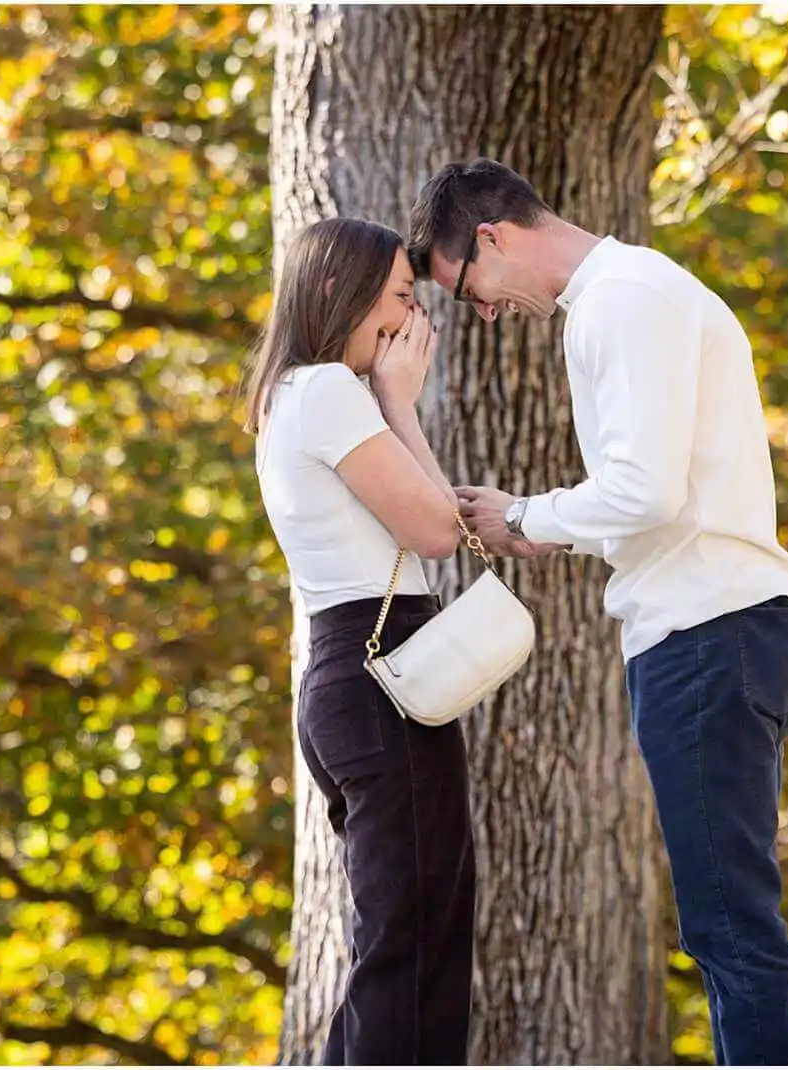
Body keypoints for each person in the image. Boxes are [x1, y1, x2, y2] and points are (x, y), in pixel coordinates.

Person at [408, 160, 788, 1066]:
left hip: (710, 632)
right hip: (714, 627)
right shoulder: (628, 295)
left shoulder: (623, 300)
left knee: (729, 927)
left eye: (467, 288)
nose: (481, 313)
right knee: (725, 923)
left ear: (491, 238)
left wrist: (523, 518)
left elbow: (646, 493)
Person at [243, 217, 474, 1064]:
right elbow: (437, 527)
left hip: (351, 671)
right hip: (380, 677)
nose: (413, 321)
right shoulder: (331, 392)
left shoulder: (286, 399)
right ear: (346, 295)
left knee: (404, 936)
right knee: (416, 945)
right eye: (402, 299)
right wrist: (401, 402)